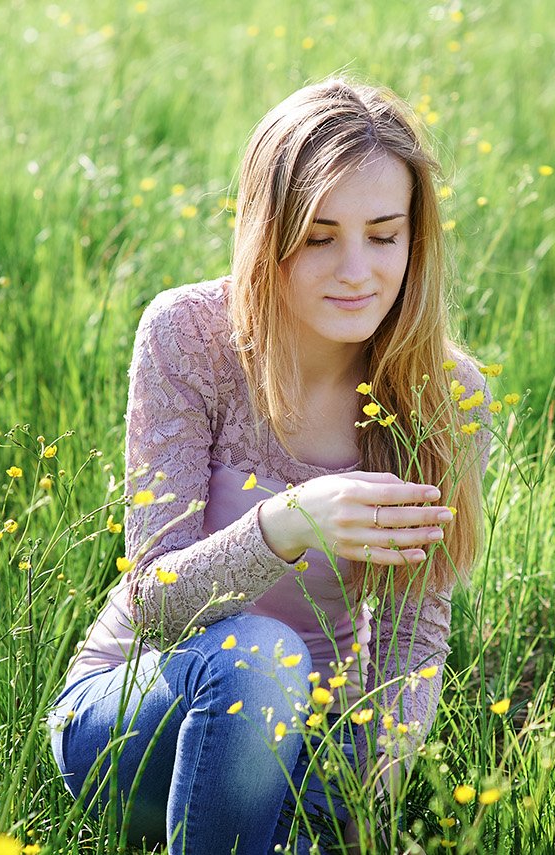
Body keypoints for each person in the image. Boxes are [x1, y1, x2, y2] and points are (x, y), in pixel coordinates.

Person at [45, 75, 494, 855]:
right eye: (319, 237)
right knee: (260, 656)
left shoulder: (445, 393)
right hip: (136, 719)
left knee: (284, 714)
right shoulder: (189, 337)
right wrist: (290, 522)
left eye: (384, 235)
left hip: (297, 750)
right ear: (268, 230)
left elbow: (410, 642)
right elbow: (155, 602)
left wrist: (350, 802)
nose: (356, 269)